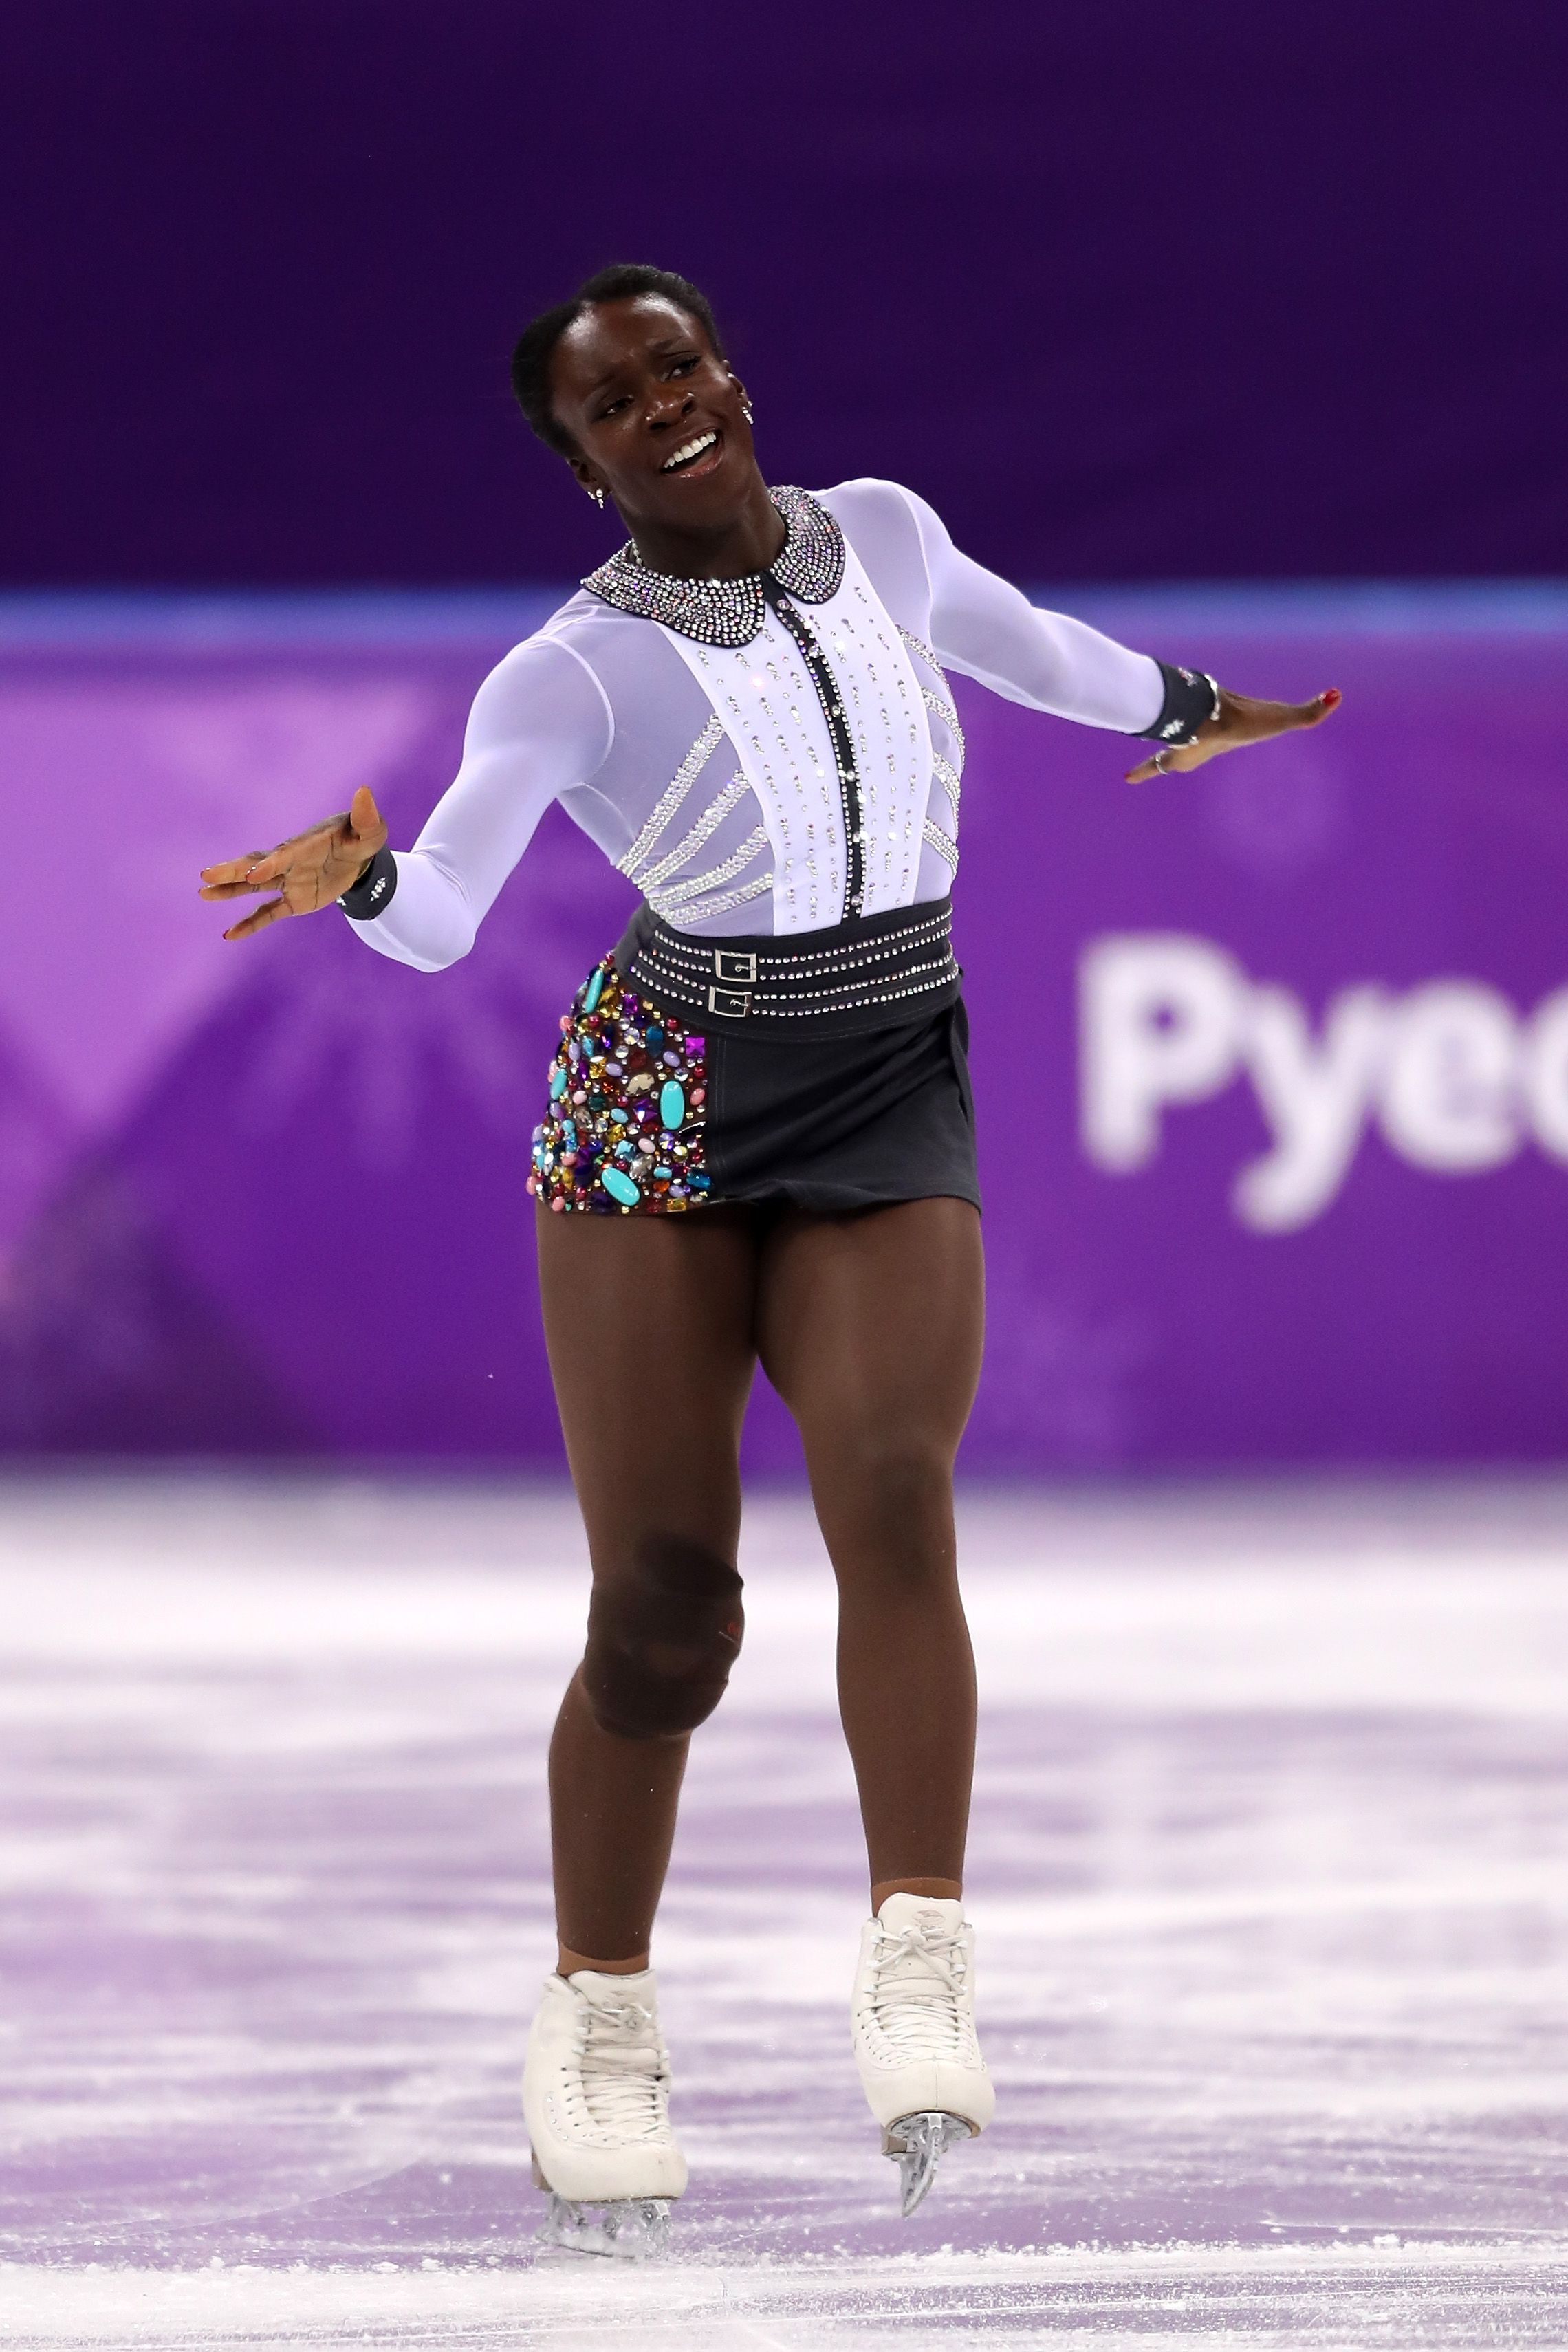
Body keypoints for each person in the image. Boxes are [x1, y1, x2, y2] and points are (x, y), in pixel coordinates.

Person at [200, 263, 1340, 2252]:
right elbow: (452, 905)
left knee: (894, 1485)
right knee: (668, 1607)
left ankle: (917, 1950)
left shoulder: (885, 534)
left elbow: (1035, 649)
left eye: (680, 367)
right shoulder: (564, 672)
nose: (666, 410)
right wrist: (366, 877)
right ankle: (600, 2007)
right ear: (581, 464)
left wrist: (1187, 708)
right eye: (615, 406)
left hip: (893, 1068)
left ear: (729, 371)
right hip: (660, 1101)